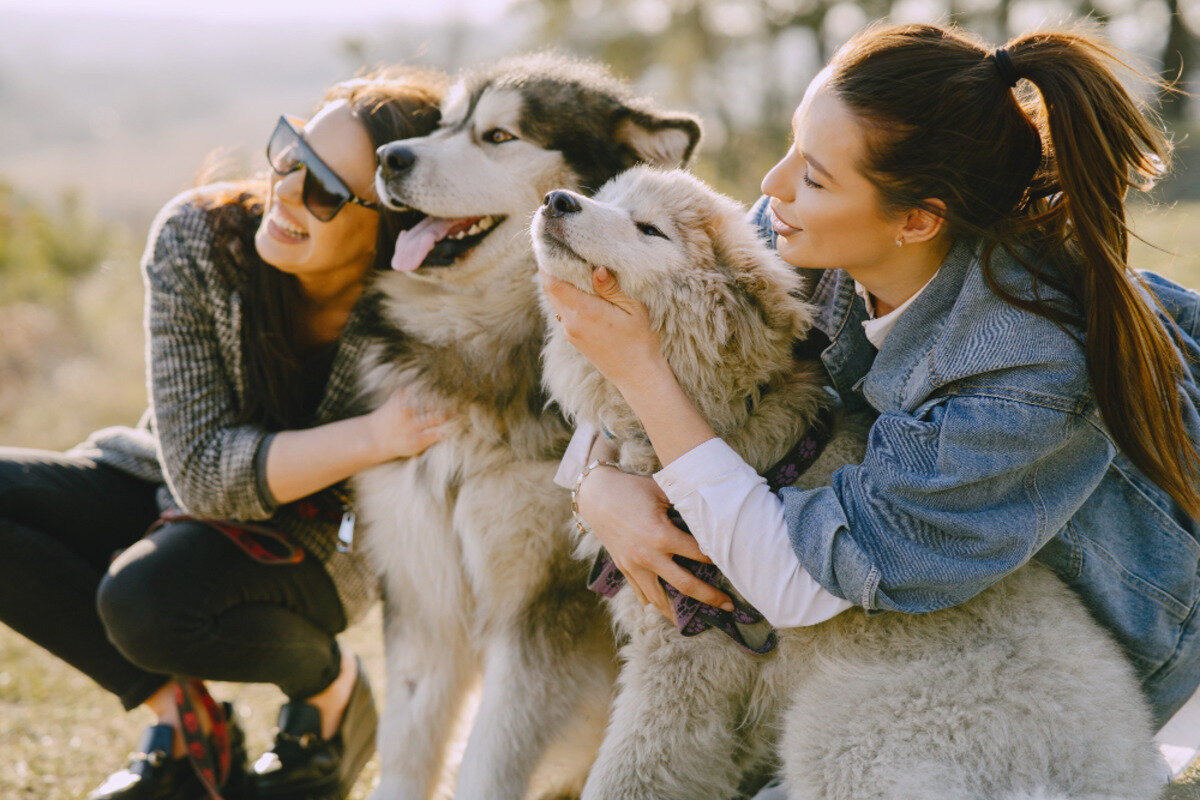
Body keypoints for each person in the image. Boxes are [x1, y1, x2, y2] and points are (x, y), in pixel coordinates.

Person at [542, 20, 1200, 747]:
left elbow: (799, 582)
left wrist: (641, 374)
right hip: (930, 627)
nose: (771, 185)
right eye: (794, 143)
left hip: (1082, 662)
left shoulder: (1023, 373)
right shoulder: (802, 234)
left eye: (815, 175)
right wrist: (594, 481)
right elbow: (693, 366)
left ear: (917, 220)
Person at [0, 70, 448, 800]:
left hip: (311, 544)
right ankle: (181, 725)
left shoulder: (422, 319)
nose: (289, 192)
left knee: (143, 601)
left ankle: (331, 697)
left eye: (328, 191)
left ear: (395, 229)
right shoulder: (198, 237)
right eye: (290, 152)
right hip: (170, 482)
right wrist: (379, 435)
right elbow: (201, 474)